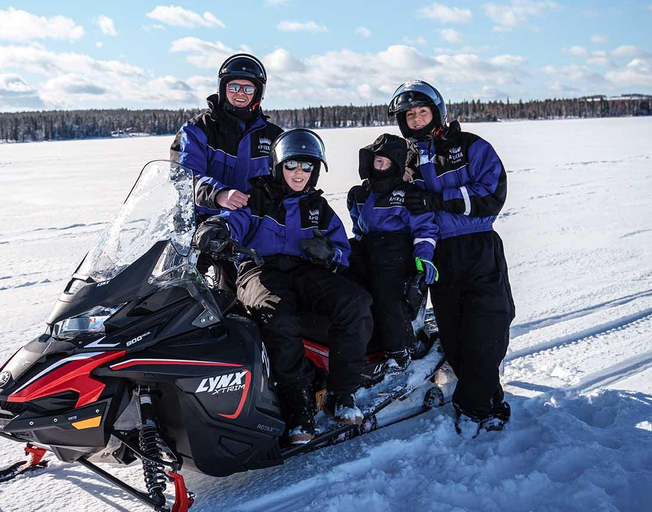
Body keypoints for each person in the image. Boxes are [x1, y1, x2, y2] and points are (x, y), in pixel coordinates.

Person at [193, 129, 373, 445]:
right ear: (278, 166)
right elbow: (231, 221)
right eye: (292, 166)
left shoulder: (318, 208)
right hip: (259, 268)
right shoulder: (256, 197)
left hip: (306, 270)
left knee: (355, 302)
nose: (299, 174)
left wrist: (329, 252)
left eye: (307, 167)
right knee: (278, 314)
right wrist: (215, 228)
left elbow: (342, 249)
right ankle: (297, 403)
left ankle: (341, 393)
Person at [388, 80, 516, 435]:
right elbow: (407, 209)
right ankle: (489, 400)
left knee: (487, 331)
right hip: (438, 255)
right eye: (409, 115)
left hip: (477, 246)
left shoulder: (471, 146)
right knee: (456, 337)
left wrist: (440, 199)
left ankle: (475, 408)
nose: (415, 120)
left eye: (421, 112)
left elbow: (491, 193)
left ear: (437, 112)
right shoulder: (407, 160)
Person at [171, 53, 283, 290]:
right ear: (223, 89)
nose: (240, 93)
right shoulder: (197, 130)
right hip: (197, 226)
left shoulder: (273, 137)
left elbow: (287, 182)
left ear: (258, 94)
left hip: (245, 228)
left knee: (237, 298)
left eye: (247, 88)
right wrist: (218, 194)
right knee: (178, 290)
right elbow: (184, 176)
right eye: (233, 86)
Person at [347, 133, 439, 373]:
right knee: (345, 272)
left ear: (396, 165)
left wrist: (424, 255)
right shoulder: (360, 194)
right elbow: (358, 227)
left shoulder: (406, 194)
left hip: (396, 249)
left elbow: (424, 226)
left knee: (385, 290)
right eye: (377, 160)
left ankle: (400, 348)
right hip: (368, 245)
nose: (380, 166)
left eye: (386, 162)